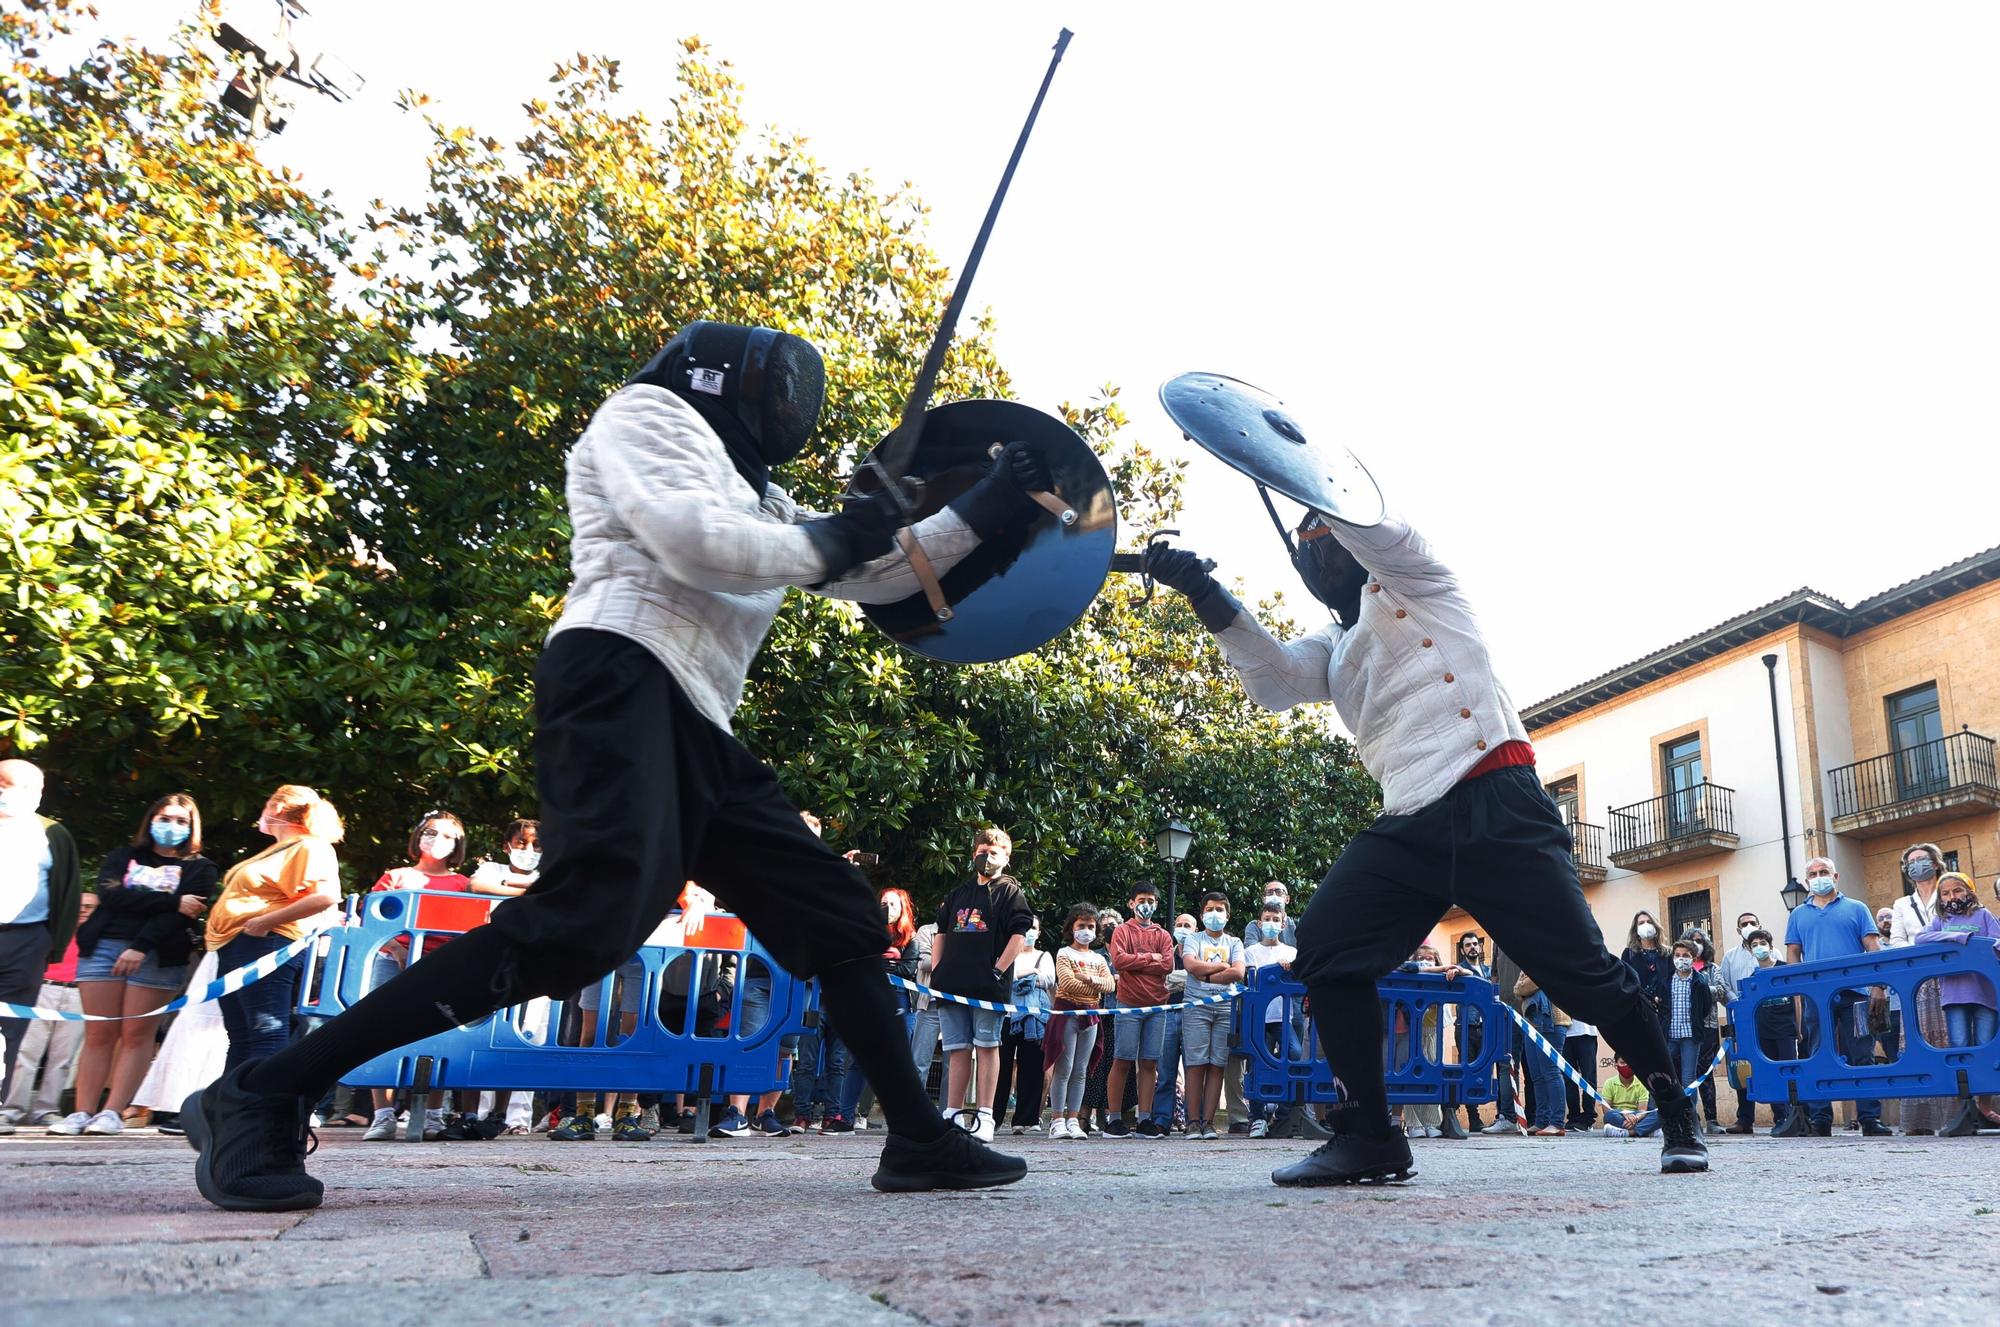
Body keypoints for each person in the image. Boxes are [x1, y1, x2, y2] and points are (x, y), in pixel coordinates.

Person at [183, 323, 1035, 1209]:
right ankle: (263, 1090)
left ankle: (916, 1138)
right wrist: (844, 532)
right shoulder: (647, 415)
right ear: (729, 377)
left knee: (840, 913)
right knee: (584, 922)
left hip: (699, 719)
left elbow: (885, 572)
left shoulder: (765, 498)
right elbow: (691, 537)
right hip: (617, 672)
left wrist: (986, 504)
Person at [1148, 507, 1706, 1182]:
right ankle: (1373, 1134)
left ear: (1349, 538)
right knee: (1324, 946)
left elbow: (1379, 529)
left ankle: (1675, 1107)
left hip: (1496, 797)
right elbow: (1274, 679)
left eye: (1323, 539)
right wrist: (1205, 594)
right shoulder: (1333, 643)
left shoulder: (1416, 580)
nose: (1315, 559)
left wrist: (1322, 494)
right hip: (1410, 819)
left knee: (1585, 976)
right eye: (1305, 551)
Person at [56, 795, 217, 1137]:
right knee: (99, 1033)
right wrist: (173, 900)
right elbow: (112, 895)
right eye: (164, 817)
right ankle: (81, 1111)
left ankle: (112, 1112)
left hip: (158, 954)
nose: (171, 826)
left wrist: (140, 946)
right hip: (101, 948)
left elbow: (179, 918)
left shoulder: (200, 868)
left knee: (136, 1035)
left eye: (180, 821)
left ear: (191, 827)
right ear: (150, 819)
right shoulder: (122, 857)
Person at [206, 786, 343, 1075]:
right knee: (242, 1036)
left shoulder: (310, 845)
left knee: (266, 1032)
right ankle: (232, 1112)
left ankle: (263, 1111)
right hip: (238, 944)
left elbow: (327, 895)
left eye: (267, 804)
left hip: (266, 943)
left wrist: (264, 922)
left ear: (277, 808)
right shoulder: (281, 849)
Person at [362, 810, 476, 1141]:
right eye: (430, 832)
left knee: (439, 1035)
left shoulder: (463, 884)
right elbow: (373, 918)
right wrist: (399, 952)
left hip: (442, 966)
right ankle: (382, 1115)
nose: (437, 839)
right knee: (375, 1031)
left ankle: (432, 1115)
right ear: (418, 836)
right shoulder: (395, 877)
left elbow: (470, 929)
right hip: (391, 962)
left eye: (447, 835)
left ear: (457, 844)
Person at [1774, 855, 1891, 1138]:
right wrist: (1797, 990)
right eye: (1812, 873)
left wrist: (1878, 986)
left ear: (1835, 877)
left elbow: (1872, 946)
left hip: (1856, 994)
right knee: (1817, 1054)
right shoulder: (1798, 915)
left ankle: (1870, 1118)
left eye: (1823, 871)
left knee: (1862, 1054)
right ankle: (1820, 1118)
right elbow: (1793, 953)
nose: (1818, 877)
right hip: (1816, 996)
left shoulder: (1857, 908)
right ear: (1807, 881)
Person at [930, 827, 1033, 1143]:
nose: (986, 855)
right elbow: (941, 933)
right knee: (957, 1048)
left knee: (987, 1047)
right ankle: (952, 1114)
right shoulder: (957, 894)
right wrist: (937, 974)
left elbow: (1019, 934)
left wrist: (998, 971)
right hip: (951, 986)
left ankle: (986, 1116)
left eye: (994, 850)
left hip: (988, 987)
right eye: (982, 848)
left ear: (1007, 856)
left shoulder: (1011, 892)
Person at [0, 760, 84, 1113]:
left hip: (27, 941)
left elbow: (68, 891)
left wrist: (53, 945)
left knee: (11, 1028)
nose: (3, 792)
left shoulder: (52, 834)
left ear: (36, 793)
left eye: (11, 785)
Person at [820, 886, 922, 1134]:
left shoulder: (912, 939)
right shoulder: (867, 934)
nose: (889, 908)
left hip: (900, 1001)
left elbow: (908, 970)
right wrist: (888, 961)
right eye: (884, 903)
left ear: (904, 909)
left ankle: (905, 1119)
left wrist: (881, 964)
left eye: (894, 904)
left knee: (898, 1061)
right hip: (868, 999)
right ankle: (844, 1117)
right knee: (858, 1061)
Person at [1914, 872, 2000, 1137]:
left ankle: (1984, 1106)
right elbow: (1921, 938)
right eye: (1946, 893)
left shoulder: (1984, 916)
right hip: (1954, 994)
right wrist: (1955, 937)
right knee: (1959, 1047)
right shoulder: (1940, 920)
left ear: (1969, 891)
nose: (1952, 897)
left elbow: (1997, 941)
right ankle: (1965, 1105)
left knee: (1985, 1047)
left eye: (1957, 891)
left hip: (1985, 993)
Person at [1, 892, 92, 1131]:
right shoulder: (51, 929)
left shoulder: (97, 935)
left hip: (79, 992)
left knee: (64, 1057)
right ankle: (10, 1110)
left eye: (91, 907)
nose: (84, 910)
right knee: (25, 1052)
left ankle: (47, 1110)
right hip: (43, 988)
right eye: (80, 905)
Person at [1104, 881, 1173, 1139]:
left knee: (1149, 1062)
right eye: (1142, 900)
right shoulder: (1122, 931)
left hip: (1157, 1005)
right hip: (1129, 1004)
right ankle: (1114, 1119)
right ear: (1131, 903)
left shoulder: (1163, 935)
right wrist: (1149, 958)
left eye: (1151, 901)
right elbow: (1119, 961)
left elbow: (1167, 964)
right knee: (1122, 1059)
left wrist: (1139, 962)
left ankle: (1145, 1118)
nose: (1147, 905)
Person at [1179, 892, 1244, 1141]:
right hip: (1196, 1007)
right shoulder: (1193, 939)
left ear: (1227, 915)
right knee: (1195, 1064)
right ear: (1202, 913)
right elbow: (1191, 967)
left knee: (1217, 1064)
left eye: (1220, 909)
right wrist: (1221, 968)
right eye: (1210, 909)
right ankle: (1193, 1122)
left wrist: (1206, 975)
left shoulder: (1235, 942)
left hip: (1225, 1009)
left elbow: (1238, 973)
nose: (1214, 914)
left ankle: (1208, 1123)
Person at [1046, 904, 1113, 1139]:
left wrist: (1086, 977)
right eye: (1081, 925)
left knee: (1081, 1070)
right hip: (1067, 1014)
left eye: (1090, 926)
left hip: (1091, 1016)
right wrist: (1096, 982)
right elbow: (1066, 983)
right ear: (1071, 927)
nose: (1086, 930)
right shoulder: (1064, 953)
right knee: (1063, 1068)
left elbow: (1111, 985)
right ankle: (1057, 1120)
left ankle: (1073, 1118)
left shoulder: (1098, 958)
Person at [1450, 933, 1517, 1135]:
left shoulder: (1490, 972)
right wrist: (1455, 971)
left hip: (1489, 1028)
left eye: (1475, 944)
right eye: (1468, 945)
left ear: (1480, 947)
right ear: (1462, 950)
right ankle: (1473, 1118)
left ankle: (1501, 1115)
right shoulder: (1458, 970)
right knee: (1468, 1070)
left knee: (1495, 1071)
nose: (1472, 947)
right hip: (1467, 1027)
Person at [995, 917, 1054, 1135]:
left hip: (1034, 1018)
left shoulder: (1044, 956)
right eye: (1026, 928)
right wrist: (1030, 975)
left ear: (1039, 933)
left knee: (1032, 1067)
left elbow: (1049, 979)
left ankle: (1026, 1119)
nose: (1030, 932)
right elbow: (1001, 976)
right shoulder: (1007, 952)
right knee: (1000, 1066)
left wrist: (1018, 976)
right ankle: (993, 1117)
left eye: (1034, 928)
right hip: (1006, 1016)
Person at [1146, 912, 1197, 1136]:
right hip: (1167, 1014)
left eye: (1188, 925)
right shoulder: (1165, 953)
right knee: (1165, 1073)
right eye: (1179, 924)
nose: (1183, 928)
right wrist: (1187, 978)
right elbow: (1160, 980)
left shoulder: (1199, 953)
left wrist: (1179, 979)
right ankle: (1161, 1120)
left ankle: (1193, 1120)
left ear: (1195, 930)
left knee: (1193, 1071)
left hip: (1192, 1015)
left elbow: (1196, 979)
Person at [1717, 909, 1763, 1134]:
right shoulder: (1730, 957)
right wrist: (1739, 1004)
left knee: (1770, 1063)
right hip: (1741, 1019)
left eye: (1752, 922)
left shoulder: (1768, 951)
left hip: (1767, 1018)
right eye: (1744, 924)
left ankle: (1783, 1115)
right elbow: (1723, 986)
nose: (1748, 926)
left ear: (1759, 924)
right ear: (1738, 930)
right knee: (1743, 1069)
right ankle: (1745, 1119)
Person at [1512, 970, 1568, 1136]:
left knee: (1551, 1072)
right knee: (1536, 1075)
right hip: (1531, 1023)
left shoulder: (1551, 961)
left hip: (1553, 1021)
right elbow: (1516, 990)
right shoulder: (1531, 965)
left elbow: (1533, 983)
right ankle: (1541, 1121)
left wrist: (1525, 983)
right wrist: (1525, 984)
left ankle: (1557, 1123)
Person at [1658, 940, 1713, 1100]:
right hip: (1670, 1035)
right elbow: (1661, 1006)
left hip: (1690, 1035)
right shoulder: (1666, 980)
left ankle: (1691, 1118)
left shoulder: (1700, 981)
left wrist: (1695, 1022)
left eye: (1686, 956)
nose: (1681, 959)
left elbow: (1705, 1007)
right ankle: (1658, 1112)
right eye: (1677, 955)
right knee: (1662, 1073)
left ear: (1694, 958)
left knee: (1688, 1078)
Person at [1620, 911, 1668, 1018]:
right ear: (1636, 929)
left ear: (1656, 926)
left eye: (1649, 922)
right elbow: (1625, 982)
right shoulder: (1629, 953)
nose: (1645, 925)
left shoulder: (1666, 953)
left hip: (1664, 1012)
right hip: (1639, 1011)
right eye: (1641, 923)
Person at [1599, 1057, 1657, 1137]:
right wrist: (1623, 1113)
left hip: (1636, 1116)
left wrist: (1635, 1118)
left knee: (1659, 1113)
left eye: (1630, 1062)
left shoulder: (1641, 1083)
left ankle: (1629, 1133)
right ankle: (1646, 1130)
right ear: (1616, 1065)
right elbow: (1606, 1110)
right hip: (1618, 1115)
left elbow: (1642, 1110)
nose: (1627, 1065)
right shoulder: (1609, 1083)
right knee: (1609, 1115)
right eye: (1622, 1062)